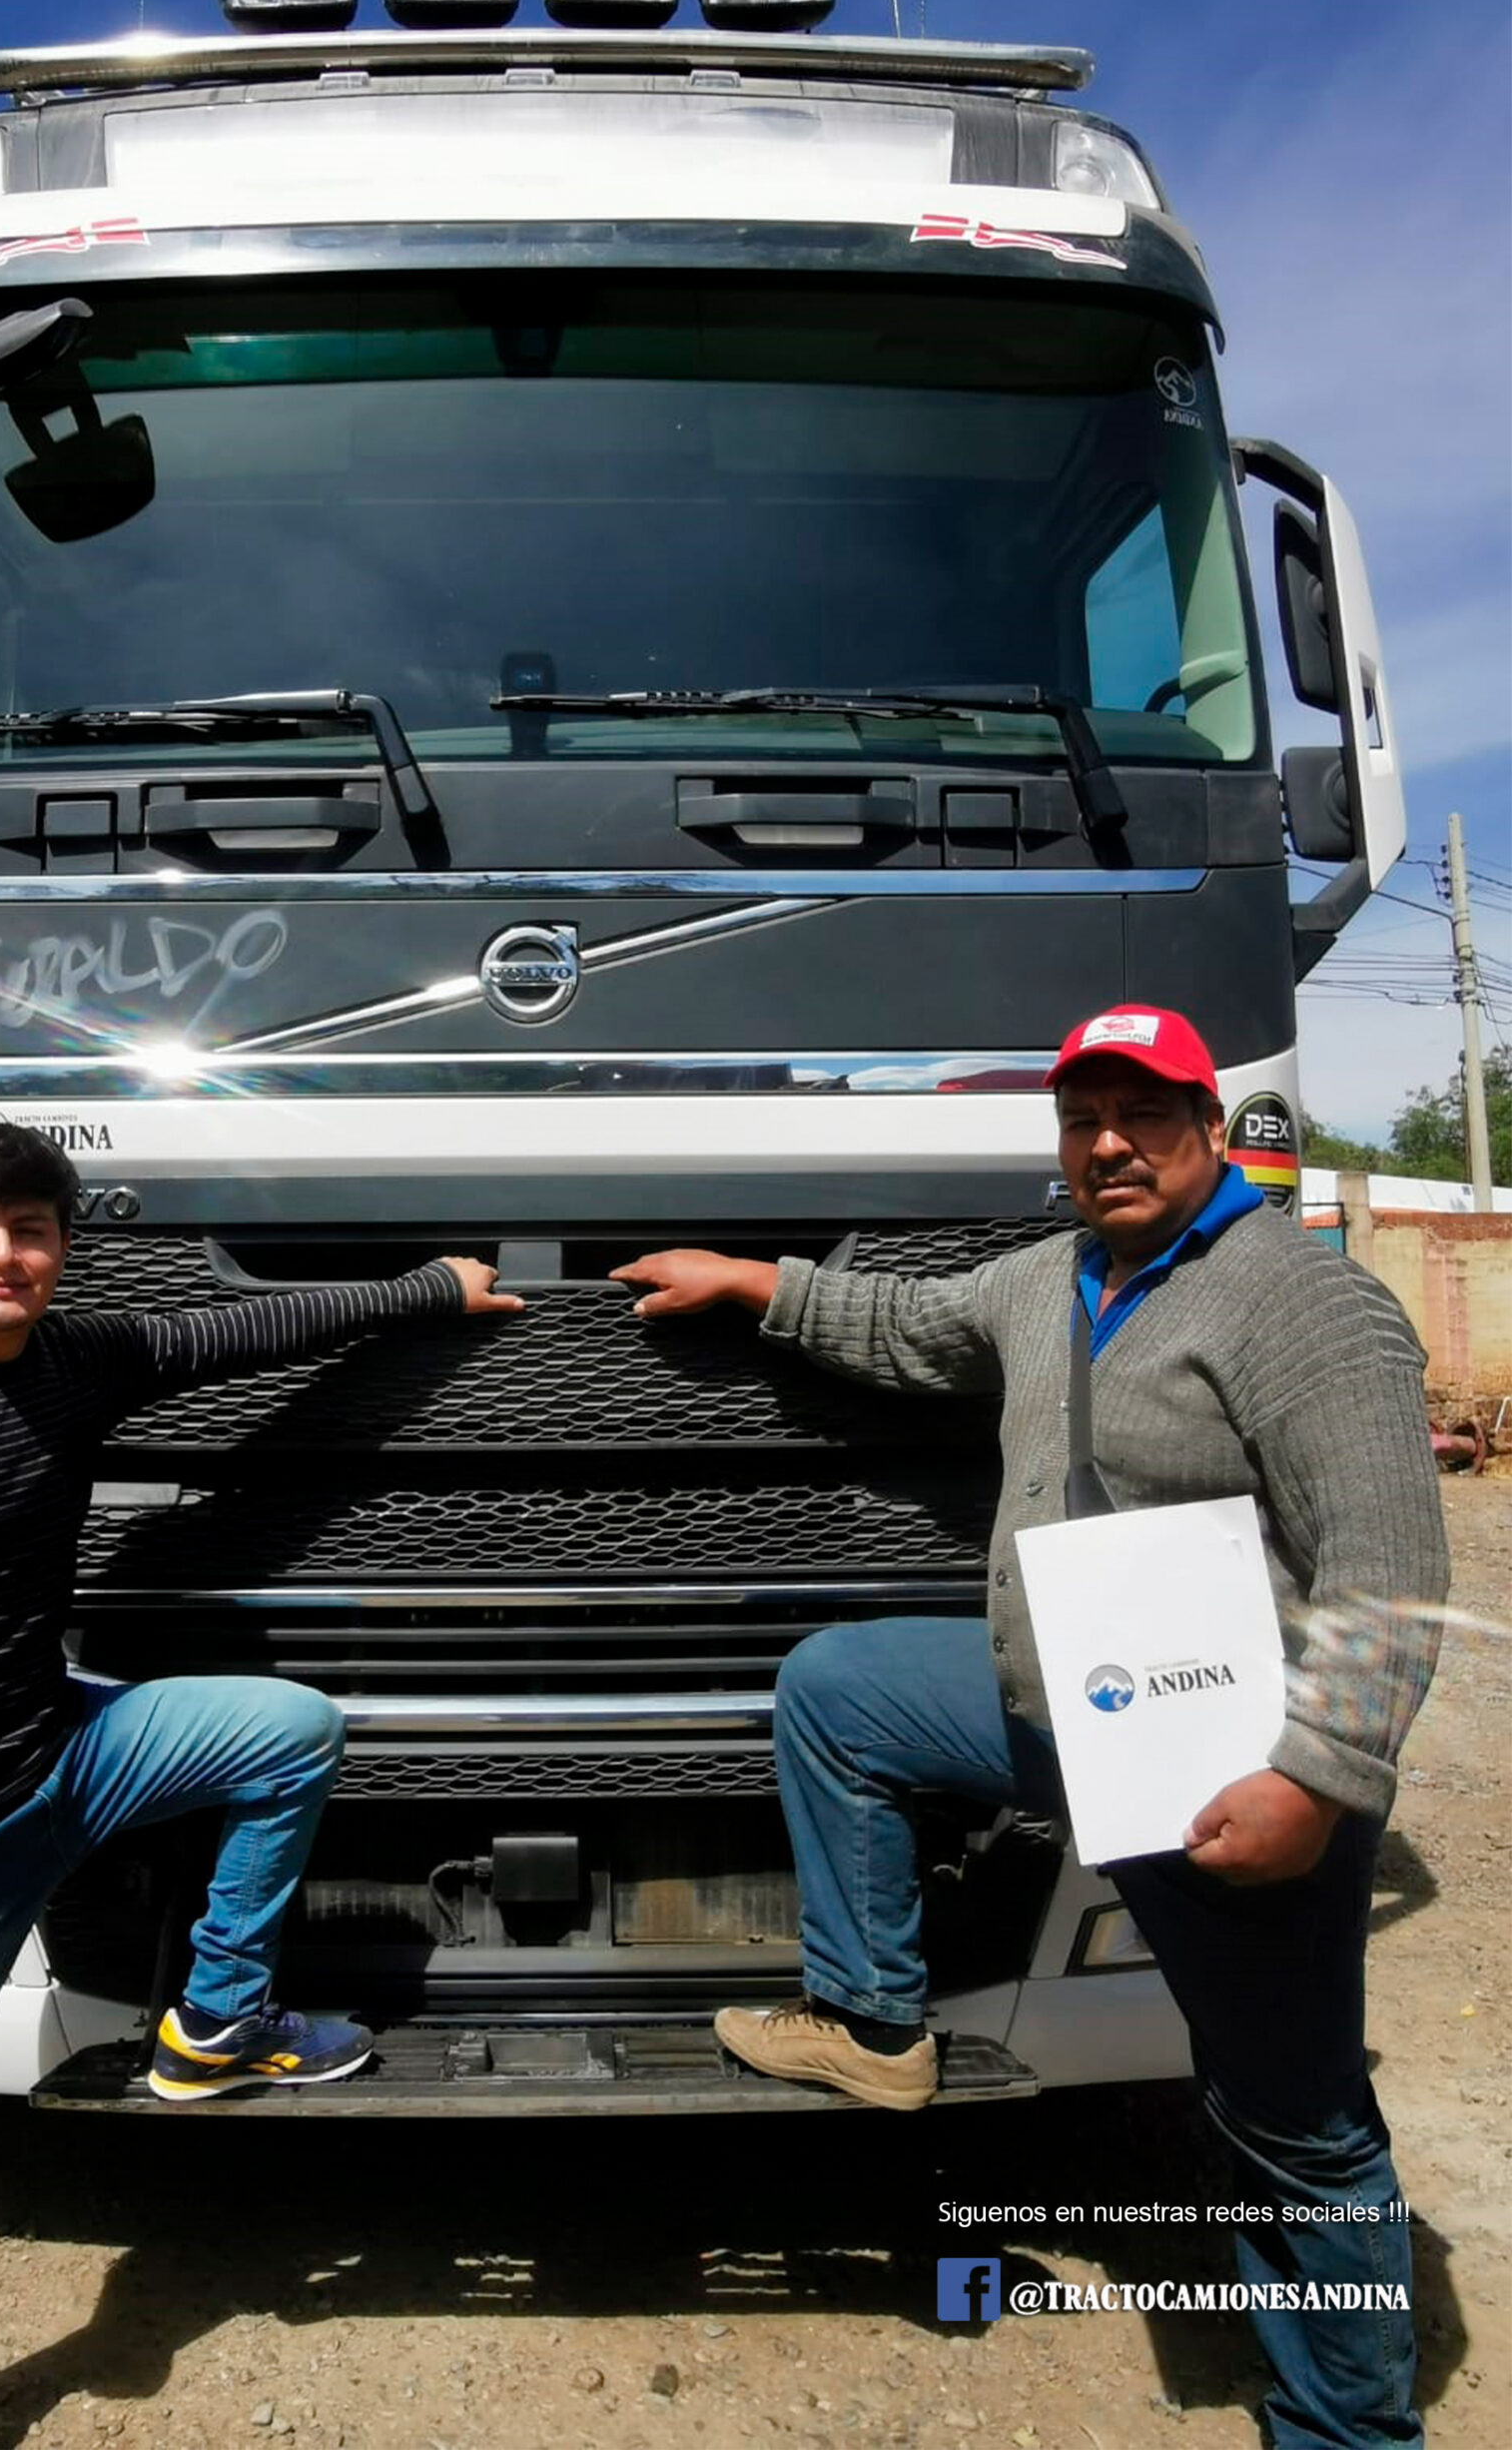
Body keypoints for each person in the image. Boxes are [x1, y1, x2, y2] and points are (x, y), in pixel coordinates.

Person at [612, 1004, 1445, 2450]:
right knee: (843, 1690)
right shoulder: (1054, 1276)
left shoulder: (1306, 1303)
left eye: (1144, 1113)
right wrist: (751, 1279)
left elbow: (1389, 1571)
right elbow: (906, 1325)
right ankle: (874, 2024)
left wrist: (1318, 1779)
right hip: (1056, 1701)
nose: (1108, 1145)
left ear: (1210, 1126)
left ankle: (1350, 2430)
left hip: (1229, 1771)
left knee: (1295, 2120)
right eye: (1081, 1121)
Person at [0, 1124, 522, 2450]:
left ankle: (213, 2026)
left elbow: (242, 1332)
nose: (2, 1256)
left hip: (67, 1749)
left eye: (30, 1231)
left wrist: (429, 1291)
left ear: (61, 1249)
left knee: (285, 1730)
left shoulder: (70, 1361)